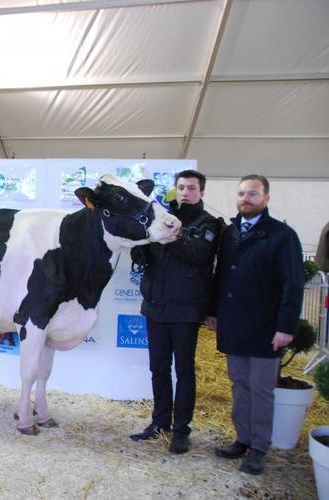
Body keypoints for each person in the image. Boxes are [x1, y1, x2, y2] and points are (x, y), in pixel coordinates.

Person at [206, 175, 303, 475]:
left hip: (265, 326)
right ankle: (242, 438)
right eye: (241, 194)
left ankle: (259, 447)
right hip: (234, 323)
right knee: (239, 384)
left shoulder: (282, 235)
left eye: (252, 194)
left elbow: (293, 284)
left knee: (261, 389)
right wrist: (213, 312)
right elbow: (220, 274)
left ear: (266, 198)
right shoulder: (230, 232)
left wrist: (285, 327)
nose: (245, 198)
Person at [129, 170, 220, 454]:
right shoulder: (164, 216)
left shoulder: (209, 223)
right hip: (156, 307)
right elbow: (145, 255)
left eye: (192, 188)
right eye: (181, 188)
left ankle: (181, 429)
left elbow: (198, 254)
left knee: (184, 371)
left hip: (186, 310)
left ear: (201, 192)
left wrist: (173, 232)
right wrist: (141, 248)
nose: (185, 193)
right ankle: (160, 423)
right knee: (158, 369)